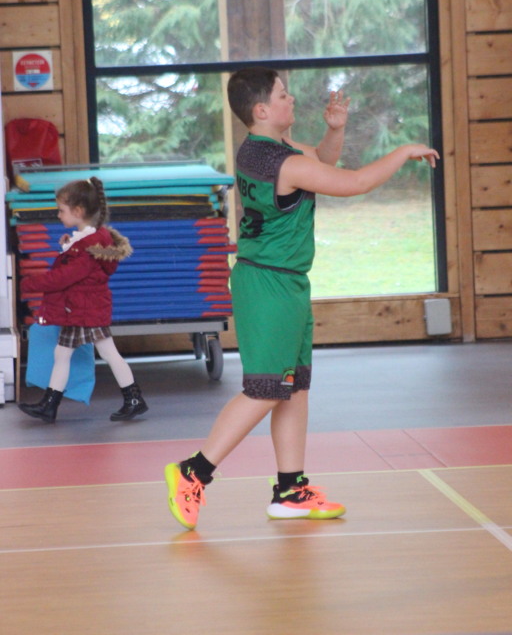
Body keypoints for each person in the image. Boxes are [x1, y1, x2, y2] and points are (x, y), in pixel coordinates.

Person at [164, 67, 439, 530]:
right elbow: (353, 182)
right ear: (262, 109)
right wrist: (403, 151)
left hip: (283, 282)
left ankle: (290, 491)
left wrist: (335, 131)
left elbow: (321, 162)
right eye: (283, 95)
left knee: (292, 388)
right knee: (264, 390)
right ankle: (194, 472)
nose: (291, 99)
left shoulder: (262, 150)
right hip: (268, 286)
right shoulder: (283, 163)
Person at [18, 176, 148, 424]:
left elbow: (64, 277)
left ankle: (52, 404)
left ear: (78, 211)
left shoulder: (87, 247)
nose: (58, 215)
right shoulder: (91, 239)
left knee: (87, 353)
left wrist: (28, 284)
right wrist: (69, 246)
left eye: (61, 210)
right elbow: (79, 268)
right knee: (75, 353)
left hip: (83, 310)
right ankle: (130, 399)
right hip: (83, 308)